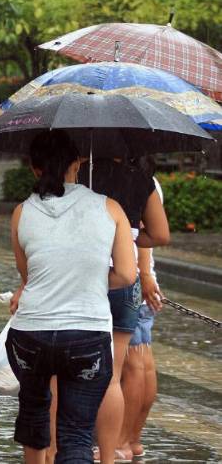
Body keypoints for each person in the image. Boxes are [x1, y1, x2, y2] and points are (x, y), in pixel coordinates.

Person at [7, 131, 137, 464]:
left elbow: (30, 277)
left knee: (35, 420)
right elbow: (126, 274)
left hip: (30, 336)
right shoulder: (110, 208)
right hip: (86, 336)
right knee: (76, 435)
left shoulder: (22, 212)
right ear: (77, 163)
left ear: (35, 169)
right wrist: (89, 279)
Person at [78, 157, 169, 464]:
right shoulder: (142, 179)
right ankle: (119, 447)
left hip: (95, 275)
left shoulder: (84, 174)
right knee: (123, 370)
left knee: (80, 367)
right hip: (129, 282)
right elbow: (160, 235)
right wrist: (129, 236)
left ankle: (92, 444)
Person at [119, 160, 165, 461]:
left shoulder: (131, 180)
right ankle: (133, 439)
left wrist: (143, 273)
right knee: (143, 361)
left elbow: (144, 232)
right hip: (139, 279)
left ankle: (121, 441)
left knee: (132, 365)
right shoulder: (148, 179)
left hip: (130, 280)